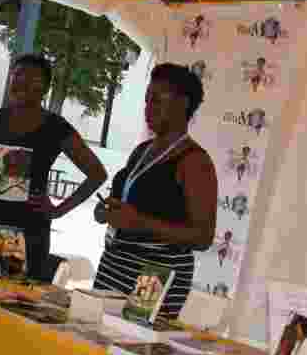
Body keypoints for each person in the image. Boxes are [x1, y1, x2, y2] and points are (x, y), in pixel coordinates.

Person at [0, 54, 107, 281]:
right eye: (17, 75)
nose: (21, 81)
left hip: (28, 228)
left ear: (45, 88)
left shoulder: (56, 127)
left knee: (11, 300)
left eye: (31, 78)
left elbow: (97, 174)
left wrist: (59, 210)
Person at [93, 64, 218, 320]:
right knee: (92, 340)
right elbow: (133, 205)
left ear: (183, 104)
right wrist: (108, 211)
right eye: (147, 99)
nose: (148, 108)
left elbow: (203, 237)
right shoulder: (142, 150)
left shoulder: (194, 162)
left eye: (158, 100)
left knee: (129, 346)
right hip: (115, 265)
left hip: (156, 274)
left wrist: (138, 222)